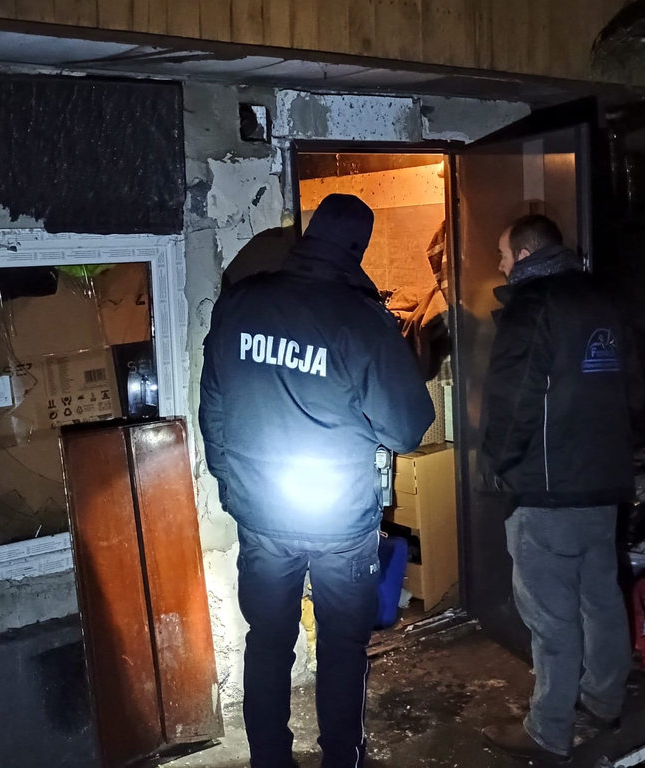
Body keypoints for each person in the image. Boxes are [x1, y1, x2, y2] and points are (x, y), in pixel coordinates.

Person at [199, 193, 435, 768]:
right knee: (341, 648)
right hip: (340, 521)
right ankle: (340, 760)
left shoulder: (242, 303)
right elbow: (407, 428)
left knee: (268, 641)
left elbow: (214, 408)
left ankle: (269, 760)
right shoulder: (361, 320)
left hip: (261, 513)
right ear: (357, 249)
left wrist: (233, 484)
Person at [479, 214, 634, 763]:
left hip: (547, 489)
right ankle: (605, 699)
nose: (500, 265)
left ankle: (549, 729)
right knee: (601, 599)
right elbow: (632, 388)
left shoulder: (534, 305)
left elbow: (512, 399)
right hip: (602, 482)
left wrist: (496, 465)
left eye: (503, 254)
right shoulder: (602, 300)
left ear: (525, 254)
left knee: (551, 616)